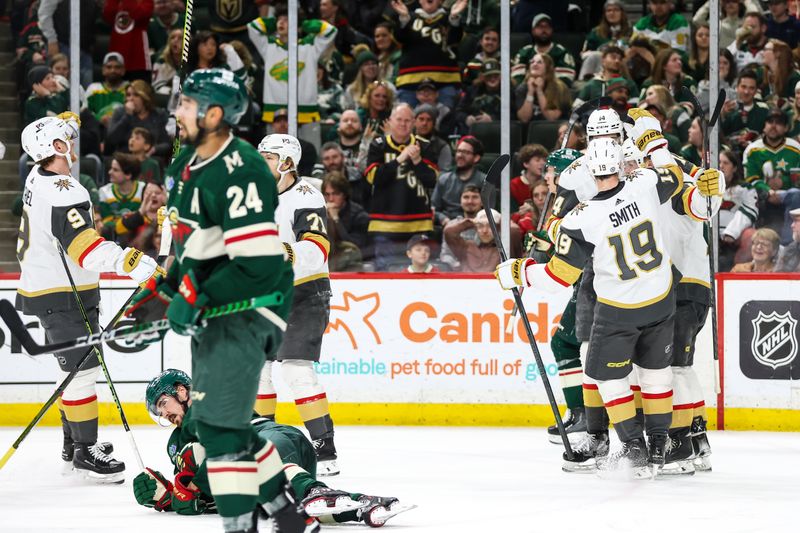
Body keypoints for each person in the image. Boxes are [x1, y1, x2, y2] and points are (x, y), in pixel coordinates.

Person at [123, 68, 302, 533]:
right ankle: (286, 514)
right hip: (215, 312)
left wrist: (189, 301)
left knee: (220, 429)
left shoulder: (242, 167)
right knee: (222, 429)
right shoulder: (185, 169)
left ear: (214, 113)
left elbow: (258, 263)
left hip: (253, 306)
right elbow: (189, 255)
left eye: (186, 103)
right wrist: (154, 301)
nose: (176, 110)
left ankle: (245, 525)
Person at [496, 130, 723, 477]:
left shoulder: (582, 217)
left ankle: (634, 451)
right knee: (657, 374)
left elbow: (560, 276)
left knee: (603, 376)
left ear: (589, 169)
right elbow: (675, 175)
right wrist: (658, 143)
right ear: (620, 163)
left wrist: (521, 272)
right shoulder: (645, 184)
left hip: (620, 308)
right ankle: (659, 450)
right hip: (661, 300)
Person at [18, 114, 160, 482]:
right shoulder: (66, 190)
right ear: (55, 148)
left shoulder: (37, 177)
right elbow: (85, 249)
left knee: (73, 370)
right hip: (63, 293)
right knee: (83, 371)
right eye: (65, 139)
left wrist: (61, 121)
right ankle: (85, 452)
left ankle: (72, 442)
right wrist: (133, 261)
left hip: (50, 288)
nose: (72, 143)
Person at [135, 369, 413, 527]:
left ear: (182, 392)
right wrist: (169, 497)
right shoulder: (178, 439)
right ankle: (364, 506)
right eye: (158, 412)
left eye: (163, 404)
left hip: (267, 438)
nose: (163, 415)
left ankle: (317, 492)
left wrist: (191, 487)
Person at [255, 133, 340, 476]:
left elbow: (318, 247)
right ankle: (262, 440)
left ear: (287, 163)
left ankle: (324, 447)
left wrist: (282, 254)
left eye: (267, 159)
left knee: (296, 369)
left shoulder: (306, 196)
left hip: (305, 292)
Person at [365, 103, 439, 270]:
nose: (403, 124)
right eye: (399, 120)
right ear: (390, 121)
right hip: (384, 224)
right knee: (385, 275)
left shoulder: (425, 146)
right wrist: (400, 159)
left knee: (420, 275)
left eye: (407, 120)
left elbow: (432, 180)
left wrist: (417, 161)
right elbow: (374, 178)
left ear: (413, 123)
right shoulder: (378, 145)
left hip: (419, 223)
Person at [248, 9, 337, 148]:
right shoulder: (269, 45)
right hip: (275, 114)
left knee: (311, 154)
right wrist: (271, 21)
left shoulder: (310, 45)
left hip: (306, 112)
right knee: (273, 155)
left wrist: (306, 24)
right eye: (280, 20)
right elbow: (252, 27)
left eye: (286, 20)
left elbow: (330, 31)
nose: (281, 22)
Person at [388, 0, 467, 109]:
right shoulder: (408, 17)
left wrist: (454, 18)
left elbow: (455, 40)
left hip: (446, 81)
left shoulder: (450, 18)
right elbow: (399, 38)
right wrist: (404, 18)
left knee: (446, 120)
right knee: (406, 120)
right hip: (410, 82)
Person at [105, 80, 170, 157]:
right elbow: (111, 140)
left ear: (145, 97)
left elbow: (167, 143)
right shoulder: (120, 112)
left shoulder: (158, 114)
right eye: (128, 95)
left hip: (150, 158)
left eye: (136, 95)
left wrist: (154, 149)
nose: (131, 99)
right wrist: (127, 116)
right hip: (124, 158)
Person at [444, 208, 521, 272]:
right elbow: (449, 232)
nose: (484, 231)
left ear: (498, 228)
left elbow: (514, 230)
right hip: (468, 287)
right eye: (480, 226)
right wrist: (471, 222)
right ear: (475, 228)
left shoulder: (505, 249)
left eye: (490, 226)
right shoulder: (466, 247)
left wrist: (500, 219)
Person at [512, 13, 577, 87]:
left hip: (554, 93)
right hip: (527, 91)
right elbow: (517, 78)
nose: (544, 30)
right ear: (533, 31)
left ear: (552, 30)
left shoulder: (561, 52)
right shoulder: (524, 52)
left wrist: (543, 86)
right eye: (540, 27)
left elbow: (566, 79)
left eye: (547, 27)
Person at [431, 136, 485, 226]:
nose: (460, 155)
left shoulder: (485, 182)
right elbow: (433, 208)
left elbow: (491, 211)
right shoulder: (444, 179)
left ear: (476, 158)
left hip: (476, 226)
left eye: (466, 152)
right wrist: (443, 219)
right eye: (459, 151)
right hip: (447, 225)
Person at [322, 172, 370, 271]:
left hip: (351, 265)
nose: (331, 199)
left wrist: (336, 219)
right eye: (327, 194)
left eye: (335, 194)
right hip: (326, 264)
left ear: (344, 194)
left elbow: (353, 246)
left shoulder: (359, 216)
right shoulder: (319, 213)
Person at [98, 152, 146, 244]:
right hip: (113, 240)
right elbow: (106, 224)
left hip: (140, 239)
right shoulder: (104, 191)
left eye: (115, 170)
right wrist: (131, 222)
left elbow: (146, 220)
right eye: (111, 168)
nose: (110, 172)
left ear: (128, 175)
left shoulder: (144, 190)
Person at [579, 0, 633, 81]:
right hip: (600, 66)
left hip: (625, 65)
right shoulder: (596, 32)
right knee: (593, 56)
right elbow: (584, 54)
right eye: (608, 10)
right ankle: (583, 83)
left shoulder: (631, 31)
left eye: (616, 10)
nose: (612, 13)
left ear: (622, 13)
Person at [102, 0, 154, 81]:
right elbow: (108, 15)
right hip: (116, 62)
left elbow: (140, 14)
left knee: (139, 91)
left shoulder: (146, 1)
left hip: (139, 61)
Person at [574, 46, 638, 109]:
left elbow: (635, 108)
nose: (617, 61)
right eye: (613, 57)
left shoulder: (629, 83)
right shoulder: (593, 84)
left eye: (620, 59)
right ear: (603, 60)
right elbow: (576, 108)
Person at [720, 71, 770, 151]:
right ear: (737, 87)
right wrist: (722, 115)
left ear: (756, 90)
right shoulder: (726, 110)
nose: (746, 92)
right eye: (743, 87)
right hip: (730, 156)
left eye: (751, 88)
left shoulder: (764, 111)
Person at [514, 53, 571, 123]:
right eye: (532, 62)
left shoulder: (559, 88)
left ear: (548, 67)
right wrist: (530, 92)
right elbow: (524, 119)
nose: (534, 64)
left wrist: (539, 91)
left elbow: (551, 118)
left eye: (539, 62)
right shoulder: (523, 88)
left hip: (555, 129)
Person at [439, 184, 483, 269]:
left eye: (475, 197)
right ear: (460, 201)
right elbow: (445, 255)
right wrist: (459, 267)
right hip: (457, 275)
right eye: (466, 197)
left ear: (482, 202)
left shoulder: (491, 225)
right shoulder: (451, 226)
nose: (470, 201)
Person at [693, 0, 761, 50]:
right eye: (727, 1)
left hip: (742, 60)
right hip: (722, 61)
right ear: (723, 5)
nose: (730, 4)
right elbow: (697, 20)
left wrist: (747, 1)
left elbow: (756, 16)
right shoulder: (717, 24)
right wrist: (713, 1)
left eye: (734, 1)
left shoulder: (745, 23)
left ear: (739, 4)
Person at [84, 52, 128, 126]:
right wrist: (99, 119)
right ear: (103, 70)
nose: (112, 70)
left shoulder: (130, 88)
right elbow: (85, 114)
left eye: (117, 67)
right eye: (109, 67)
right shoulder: (93, 89)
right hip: (97, 131)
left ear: (123, 70)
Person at [414, 104, 453, 172]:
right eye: (421, 119)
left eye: (429, 120)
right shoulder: (406, 140)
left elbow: (444, 174)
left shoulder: (442, 146)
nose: (424, 123)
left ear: (434, 123)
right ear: (414, 121)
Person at [510, 143, 548, 210]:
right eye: (537, 160)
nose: (543, 163)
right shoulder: (514, 185)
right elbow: (511, 212)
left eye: (544, 160)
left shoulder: (548, 183)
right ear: (526, 164)